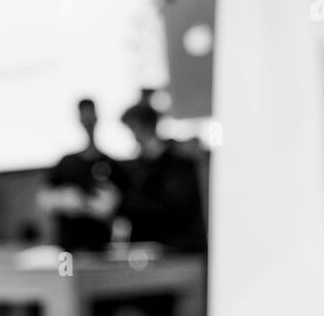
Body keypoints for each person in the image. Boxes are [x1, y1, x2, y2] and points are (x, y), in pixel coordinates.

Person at [116, 101, 206, 253]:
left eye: (134, 129)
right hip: (146, 247)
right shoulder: (138, 166)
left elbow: (175, 210)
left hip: (175, 248)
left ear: (146, 127)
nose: (134, 137)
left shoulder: (178, 163)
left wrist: (122, 204)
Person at [37, 99, 125, 252]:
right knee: (65, 274)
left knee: (98, 276)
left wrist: (88, 205)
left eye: (90, 115)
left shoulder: (111, 164)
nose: (88, 121)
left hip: (100, 248)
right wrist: (66, 200)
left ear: (97, 117)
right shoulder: (66, 163)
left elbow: (116, 208)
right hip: (67, 248)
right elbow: (44, 200)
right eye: (84, 116)